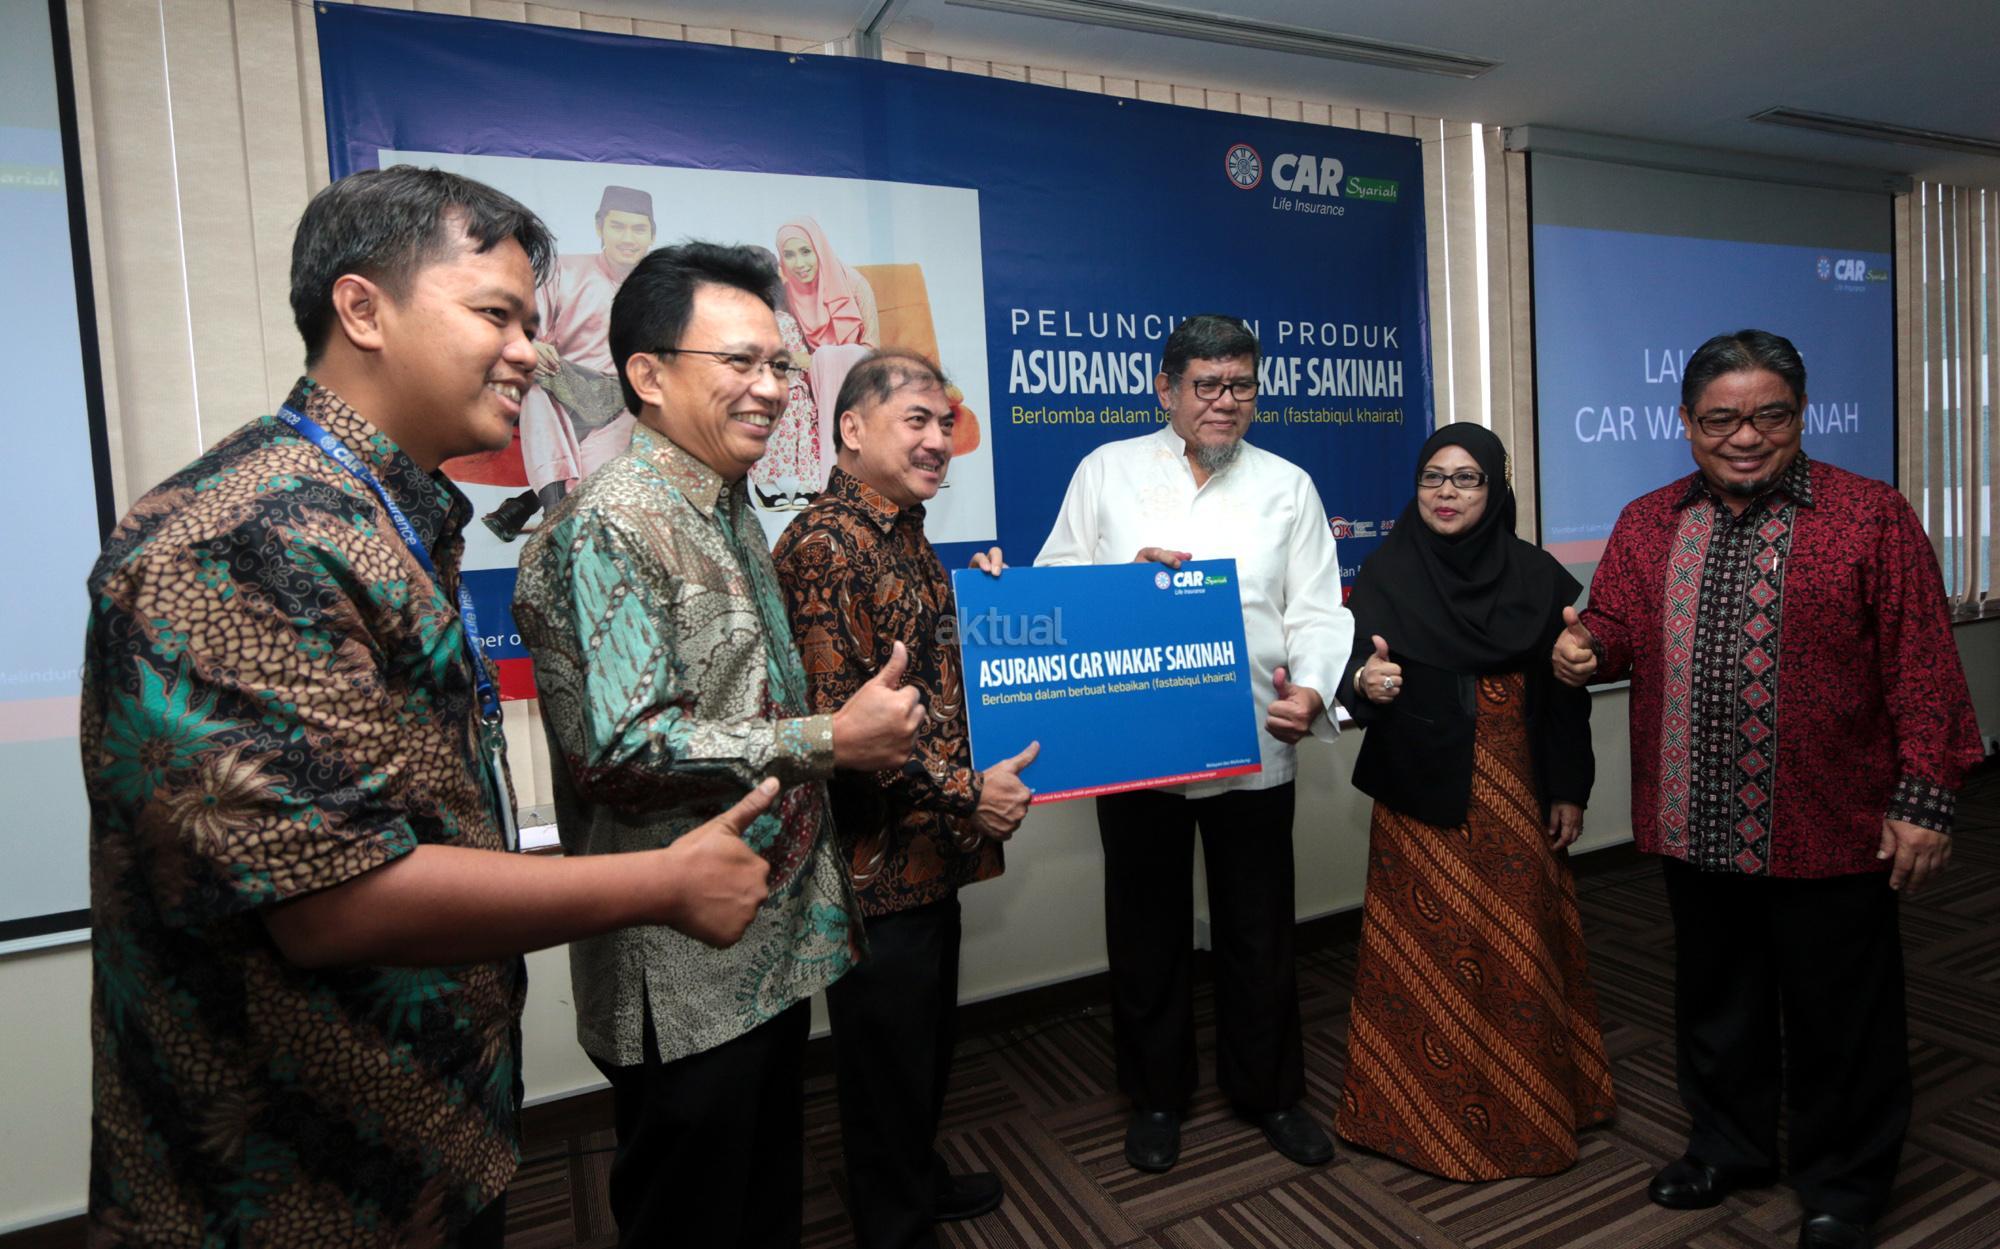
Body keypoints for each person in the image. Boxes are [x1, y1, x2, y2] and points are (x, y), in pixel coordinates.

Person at [80, 166, 781, 1248]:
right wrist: (661, 881)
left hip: (425, 1129)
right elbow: (332, 900)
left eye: (533, 323)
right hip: (294, 1185)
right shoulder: (249, 533)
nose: (529, 352)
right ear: (362, 309)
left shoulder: (385, 515)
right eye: (495, 315)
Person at [512, 242, 923, 1249]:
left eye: (777, 363)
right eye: (737, 361)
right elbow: (620, 747)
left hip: (764, 947)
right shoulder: (610, 526)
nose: (771, 387)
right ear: (647, 376)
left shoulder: (725, 505)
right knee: (693, 1217)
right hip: (679, 971)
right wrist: (830, 738)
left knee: (764, 1205)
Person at [1552, 329, 1983, 1249]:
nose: (1745, 436)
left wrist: (1923, 797)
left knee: (1841, 1016)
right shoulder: (1647, 520)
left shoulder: (1869, 516)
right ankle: (1730, 1148)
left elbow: (1921, 663)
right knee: (1719, 1002)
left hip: (1832, 822)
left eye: (1769, 416)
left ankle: (1845, 1185)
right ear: (1686, 422)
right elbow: (1616, 626)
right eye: (1721, 419)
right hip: (1693, 815)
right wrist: (1586, 648)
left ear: (1801, 414)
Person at [1036, 313, 1353, 1173]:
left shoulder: (1288, 484)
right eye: (1207, 384)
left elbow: (1317, 607)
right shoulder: (1105, 471)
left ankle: (1270, 1092)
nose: (1225, 401)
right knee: (1146, 932)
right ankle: (1157, 1097)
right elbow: (1056, 583)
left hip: (1254, 739)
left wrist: (1313, 687)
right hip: (1138, 748)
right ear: (1165, 389)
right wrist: (1124, 586)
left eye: (1241, 384)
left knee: (1260, 930)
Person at [773, 349, 1037, 1247]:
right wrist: (971, 794)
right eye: (915, 420)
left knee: (921, 1046)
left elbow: (929, 675)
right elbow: (845, 731)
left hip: (927, 853)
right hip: (872, 866)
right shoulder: (825, 545)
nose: (937, 440)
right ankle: (895, 1224)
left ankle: (915, 1182)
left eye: (944, 424)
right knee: (885, 1063)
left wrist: (996, 598)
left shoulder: (903, 532)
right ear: (851, 429)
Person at [1334, 422, 1616, 1180]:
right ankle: (1414, 1120)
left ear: (1495, 489)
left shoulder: (1537, 577)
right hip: (1419, 789)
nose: (1447, 493)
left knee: (1517, 943)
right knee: (1426, 952)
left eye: (1467, 478)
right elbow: (1352, 666)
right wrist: (1365, 681)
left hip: (1513, 783)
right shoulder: (1387, 569)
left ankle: (1532, 1110)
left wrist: (1569, 787)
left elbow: (1565, 698)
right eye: (1433, 477)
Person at [518, 184, 655, 511]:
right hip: (563, 388)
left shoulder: (660, 288)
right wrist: (533, 345)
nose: (627, 238)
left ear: (652, 235)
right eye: (617, 226)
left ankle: (528, 506)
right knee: (535, 387)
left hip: (625, 401)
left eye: (638, 230)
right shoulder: (563, 269)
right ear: (599, 227)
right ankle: (552, 504)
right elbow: (527, 326)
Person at [777, 217, 879, 487]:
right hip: (810, 388)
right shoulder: (786, 296)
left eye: (806, 251)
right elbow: (786, 352)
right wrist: (812, 364)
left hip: (857, 382)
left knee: (833, 356)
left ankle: (842, 477)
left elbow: (871, 350)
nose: (799, 263)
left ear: (819, 249)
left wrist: (823, 361)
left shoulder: (855, 284)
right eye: (789, 255)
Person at [747, 244, 825, 511]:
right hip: (756, 388)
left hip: (789, 387)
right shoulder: (738, 322)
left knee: (795, 410)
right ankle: (766, 484)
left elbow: (802, 360)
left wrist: (783, 360)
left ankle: (805, 484)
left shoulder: (785, 320)